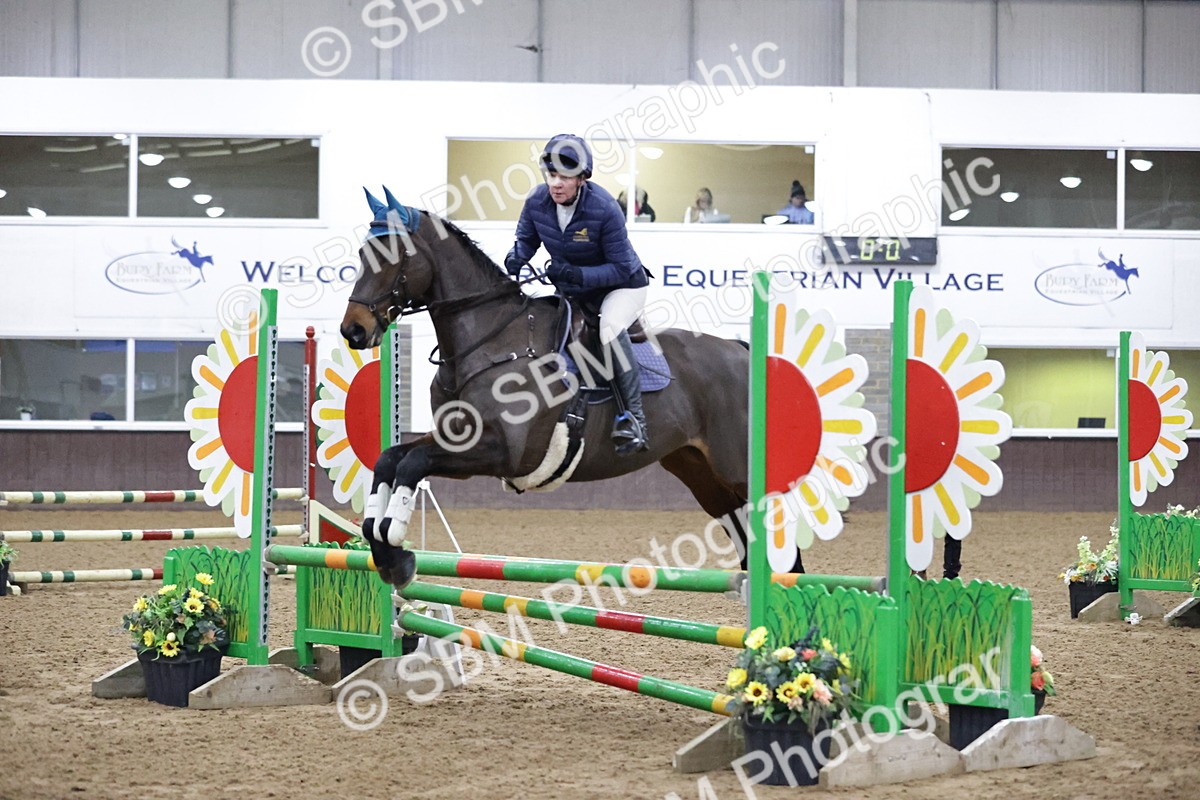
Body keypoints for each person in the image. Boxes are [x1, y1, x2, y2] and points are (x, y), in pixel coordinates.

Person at [505, 134, 650, 455]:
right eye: (551, 175)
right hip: (574, 290)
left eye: (564, 177)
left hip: (622, 287)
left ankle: (635, 420)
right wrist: (517, 256)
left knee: (610, 326)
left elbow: (622, 268)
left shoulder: (604, 208)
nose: (556, 184)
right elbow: (526, 239)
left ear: (582, 178)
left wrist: (577, 274)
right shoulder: (536, 201)